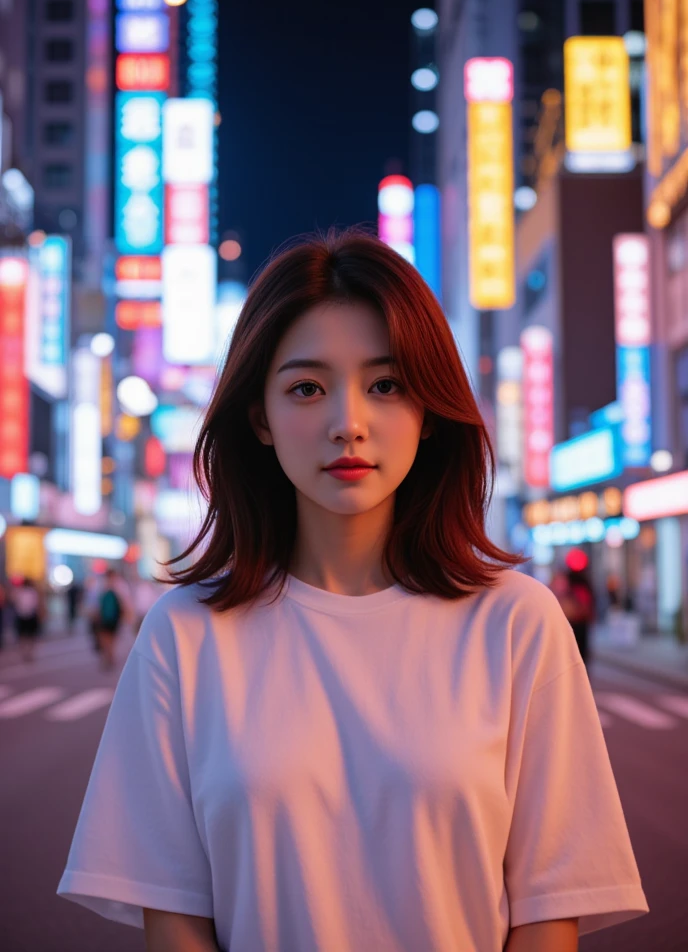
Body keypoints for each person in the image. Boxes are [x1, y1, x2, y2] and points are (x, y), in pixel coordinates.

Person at [58, 229, 648, 952]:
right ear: (260, 419)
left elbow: (551, 909)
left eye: (386, 385)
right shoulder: (185, 633)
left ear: (429, 412)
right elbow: (173, 914)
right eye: (307, 388)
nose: (349, 425)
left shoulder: (517, 623)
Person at [93, 568, 129, 671]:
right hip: (106, 617)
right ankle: (109, 657)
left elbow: (124, 603)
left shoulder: (116, 586)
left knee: (110, 639)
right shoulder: (104, 586)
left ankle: (109, 657)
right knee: (106, 638)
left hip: (112, 617)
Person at [11, 578, 43, 663]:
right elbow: (36, 604)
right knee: (30, 636)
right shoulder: (32, 592)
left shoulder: (20, 592)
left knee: (23, 636)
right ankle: (28, 652)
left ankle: (25, 652)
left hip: (22, 615)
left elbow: (15, 602)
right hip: (28, 615)